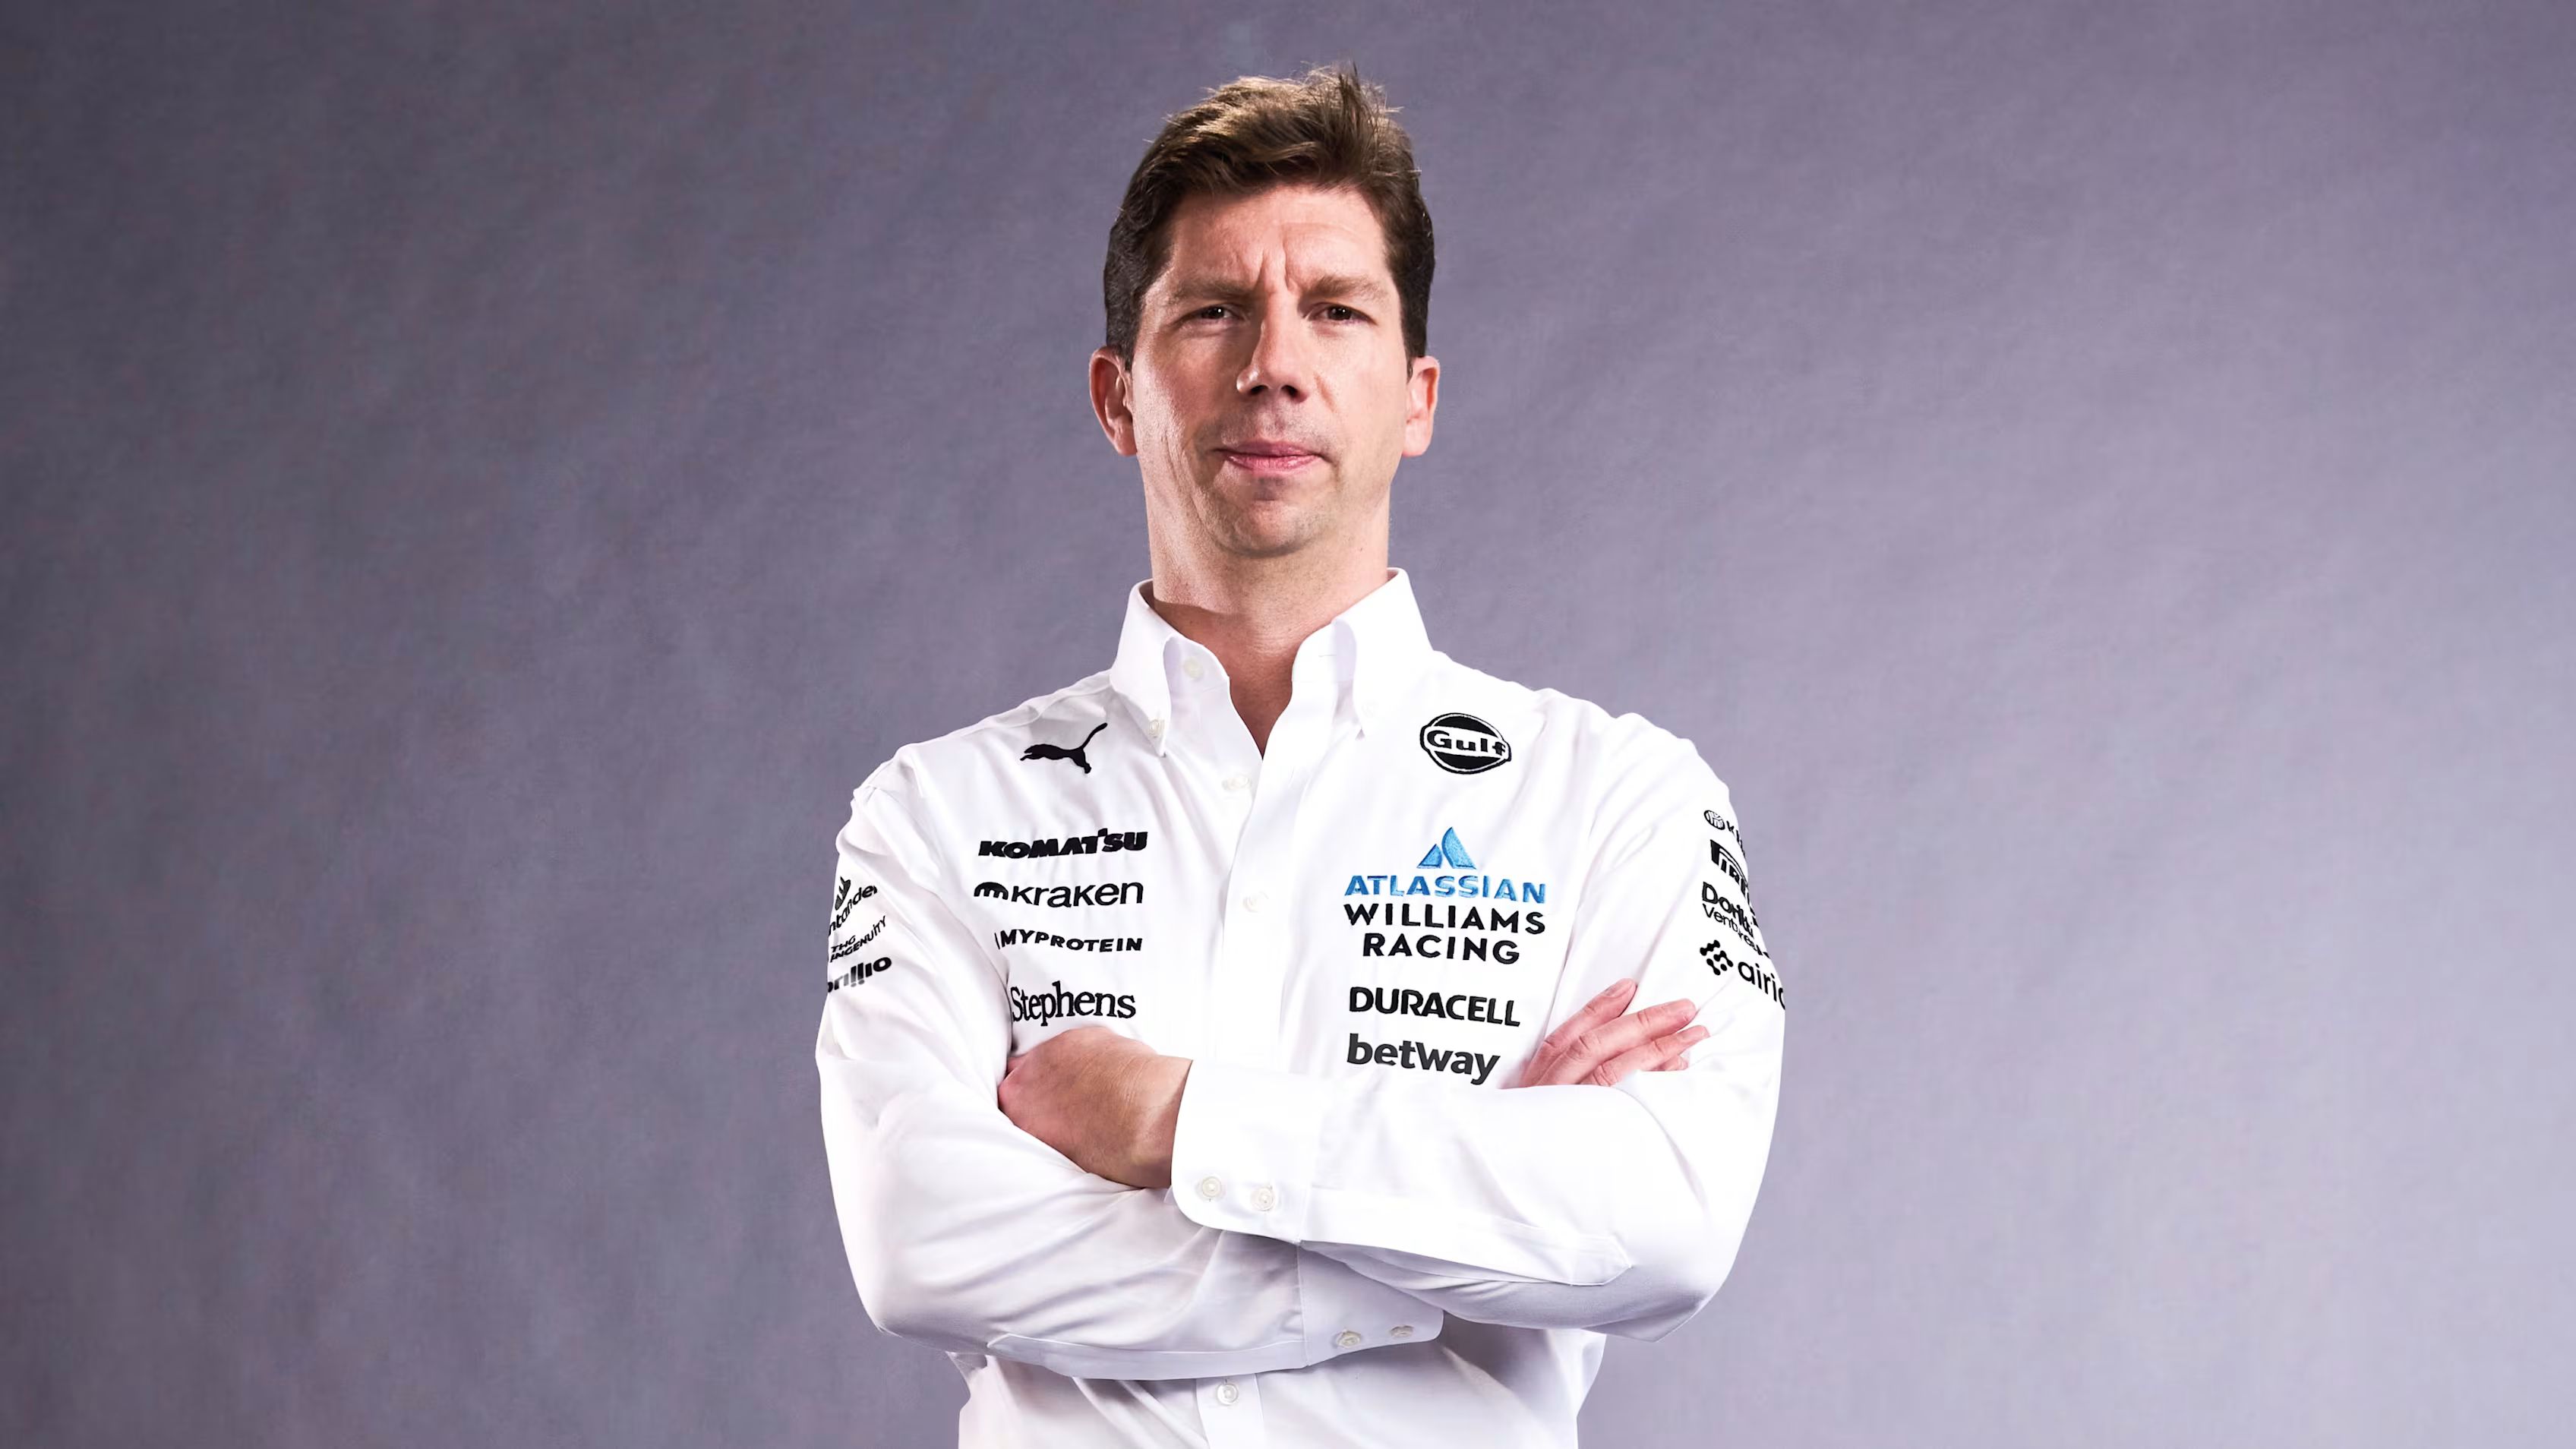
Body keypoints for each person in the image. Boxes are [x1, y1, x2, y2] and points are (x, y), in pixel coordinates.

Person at [817, 62, 1785, 1448]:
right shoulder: (935, 812)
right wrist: (1452, 1231)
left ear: (1416, 396)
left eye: (1336, 310)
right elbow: (924, 1246)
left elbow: (1664, 1224)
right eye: (1213, 310)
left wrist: (1179, 1123)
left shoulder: (1621, 800)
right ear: (1117, 396)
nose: (1273, 363)